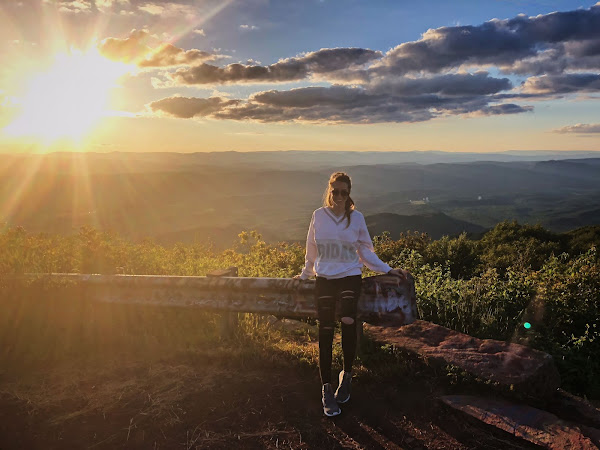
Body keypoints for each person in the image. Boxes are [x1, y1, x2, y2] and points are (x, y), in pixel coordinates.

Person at [294, 171, 406, 417]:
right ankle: (326, 387)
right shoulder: (318, 216)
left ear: (349, 193)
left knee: (347, 320)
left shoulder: (356, 219)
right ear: (329, 191)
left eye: (344, 192)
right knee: (324, 329)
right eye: (335, 191)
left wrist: (387, 269)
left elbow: (366, 251)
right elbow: (311, 248)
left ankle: (347, 375)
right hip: (324, 278)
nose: (339, 196)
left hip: (349, 276)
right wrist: (305, 274)